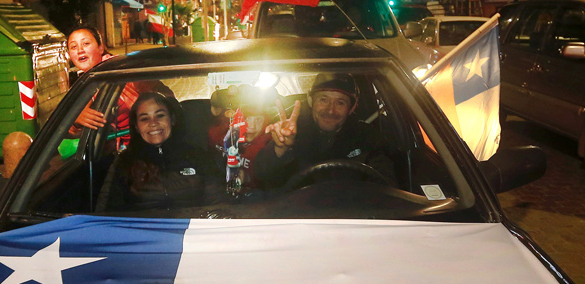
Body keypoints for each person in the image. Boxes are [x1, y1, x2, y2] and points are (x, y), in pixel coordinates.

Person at [253, 73, 395, 190]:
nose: (330, 110)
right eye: (323, 100)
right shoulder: (288, 131)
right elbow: (261, 176)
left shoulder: (367, 137)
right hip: (295, 218)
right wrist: (280, 148)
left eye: (340, 103)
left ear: (352, 108)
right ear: (310, 101)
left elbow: (386, 186)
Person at [104, 92, 224, 211]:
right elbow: (108, 212)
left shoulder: (198, 156)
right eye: (144, 118)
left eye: (160, 115)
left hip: (191, 228)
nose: (153, 123)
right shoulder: (124, 162)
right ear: (136, 126)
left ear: (172, 119)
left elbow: (219, 203)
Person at [66, 25, 171, 147]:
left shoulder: (122, 71)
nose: (80, 50)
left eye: (86, 44)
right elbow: (66, 131)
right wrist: (76, 118)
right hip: (119, 150)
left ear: (101, 48)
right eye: (74, 47)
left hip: (148, 144)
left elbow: (165, 96)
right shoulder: (84, 83)